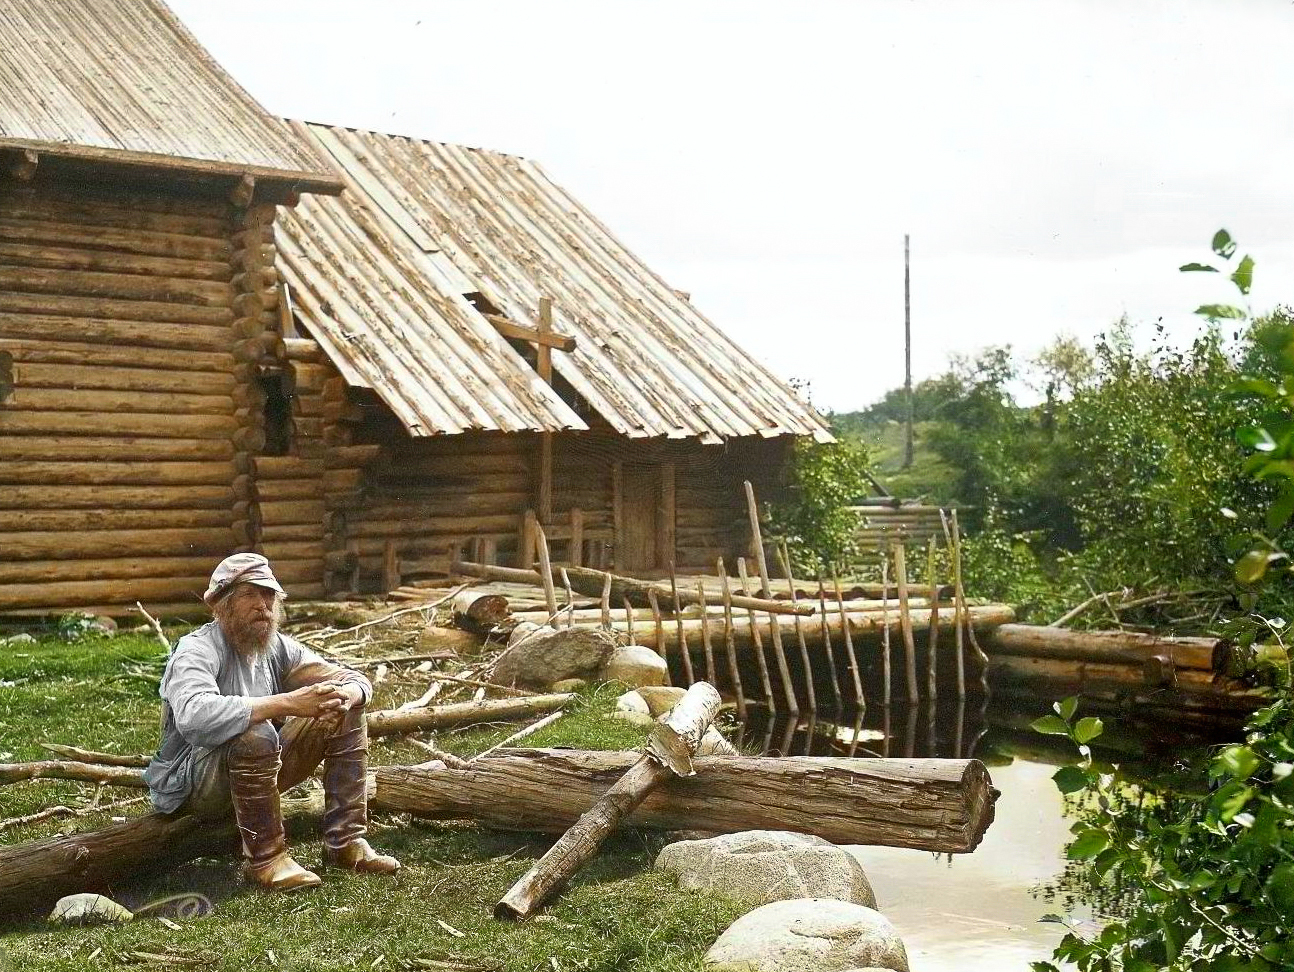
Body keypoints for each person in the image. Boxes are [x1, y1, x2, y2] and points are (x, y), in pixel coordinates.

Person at [144, 553, 400, 891]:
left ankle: (346, 843)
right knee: (254, 731)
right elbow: (195, 717)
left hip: (255, 773)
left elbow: (351, 678)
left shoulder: (274, 646)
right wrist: (288, 702)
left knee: (344, 708)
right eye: (250, 594)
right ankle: (266, 860)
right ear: (222, 604)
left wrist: (348, 695)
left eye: (268, 596)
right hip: (195, 788)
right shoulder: (197, 650)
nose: (262, 605)